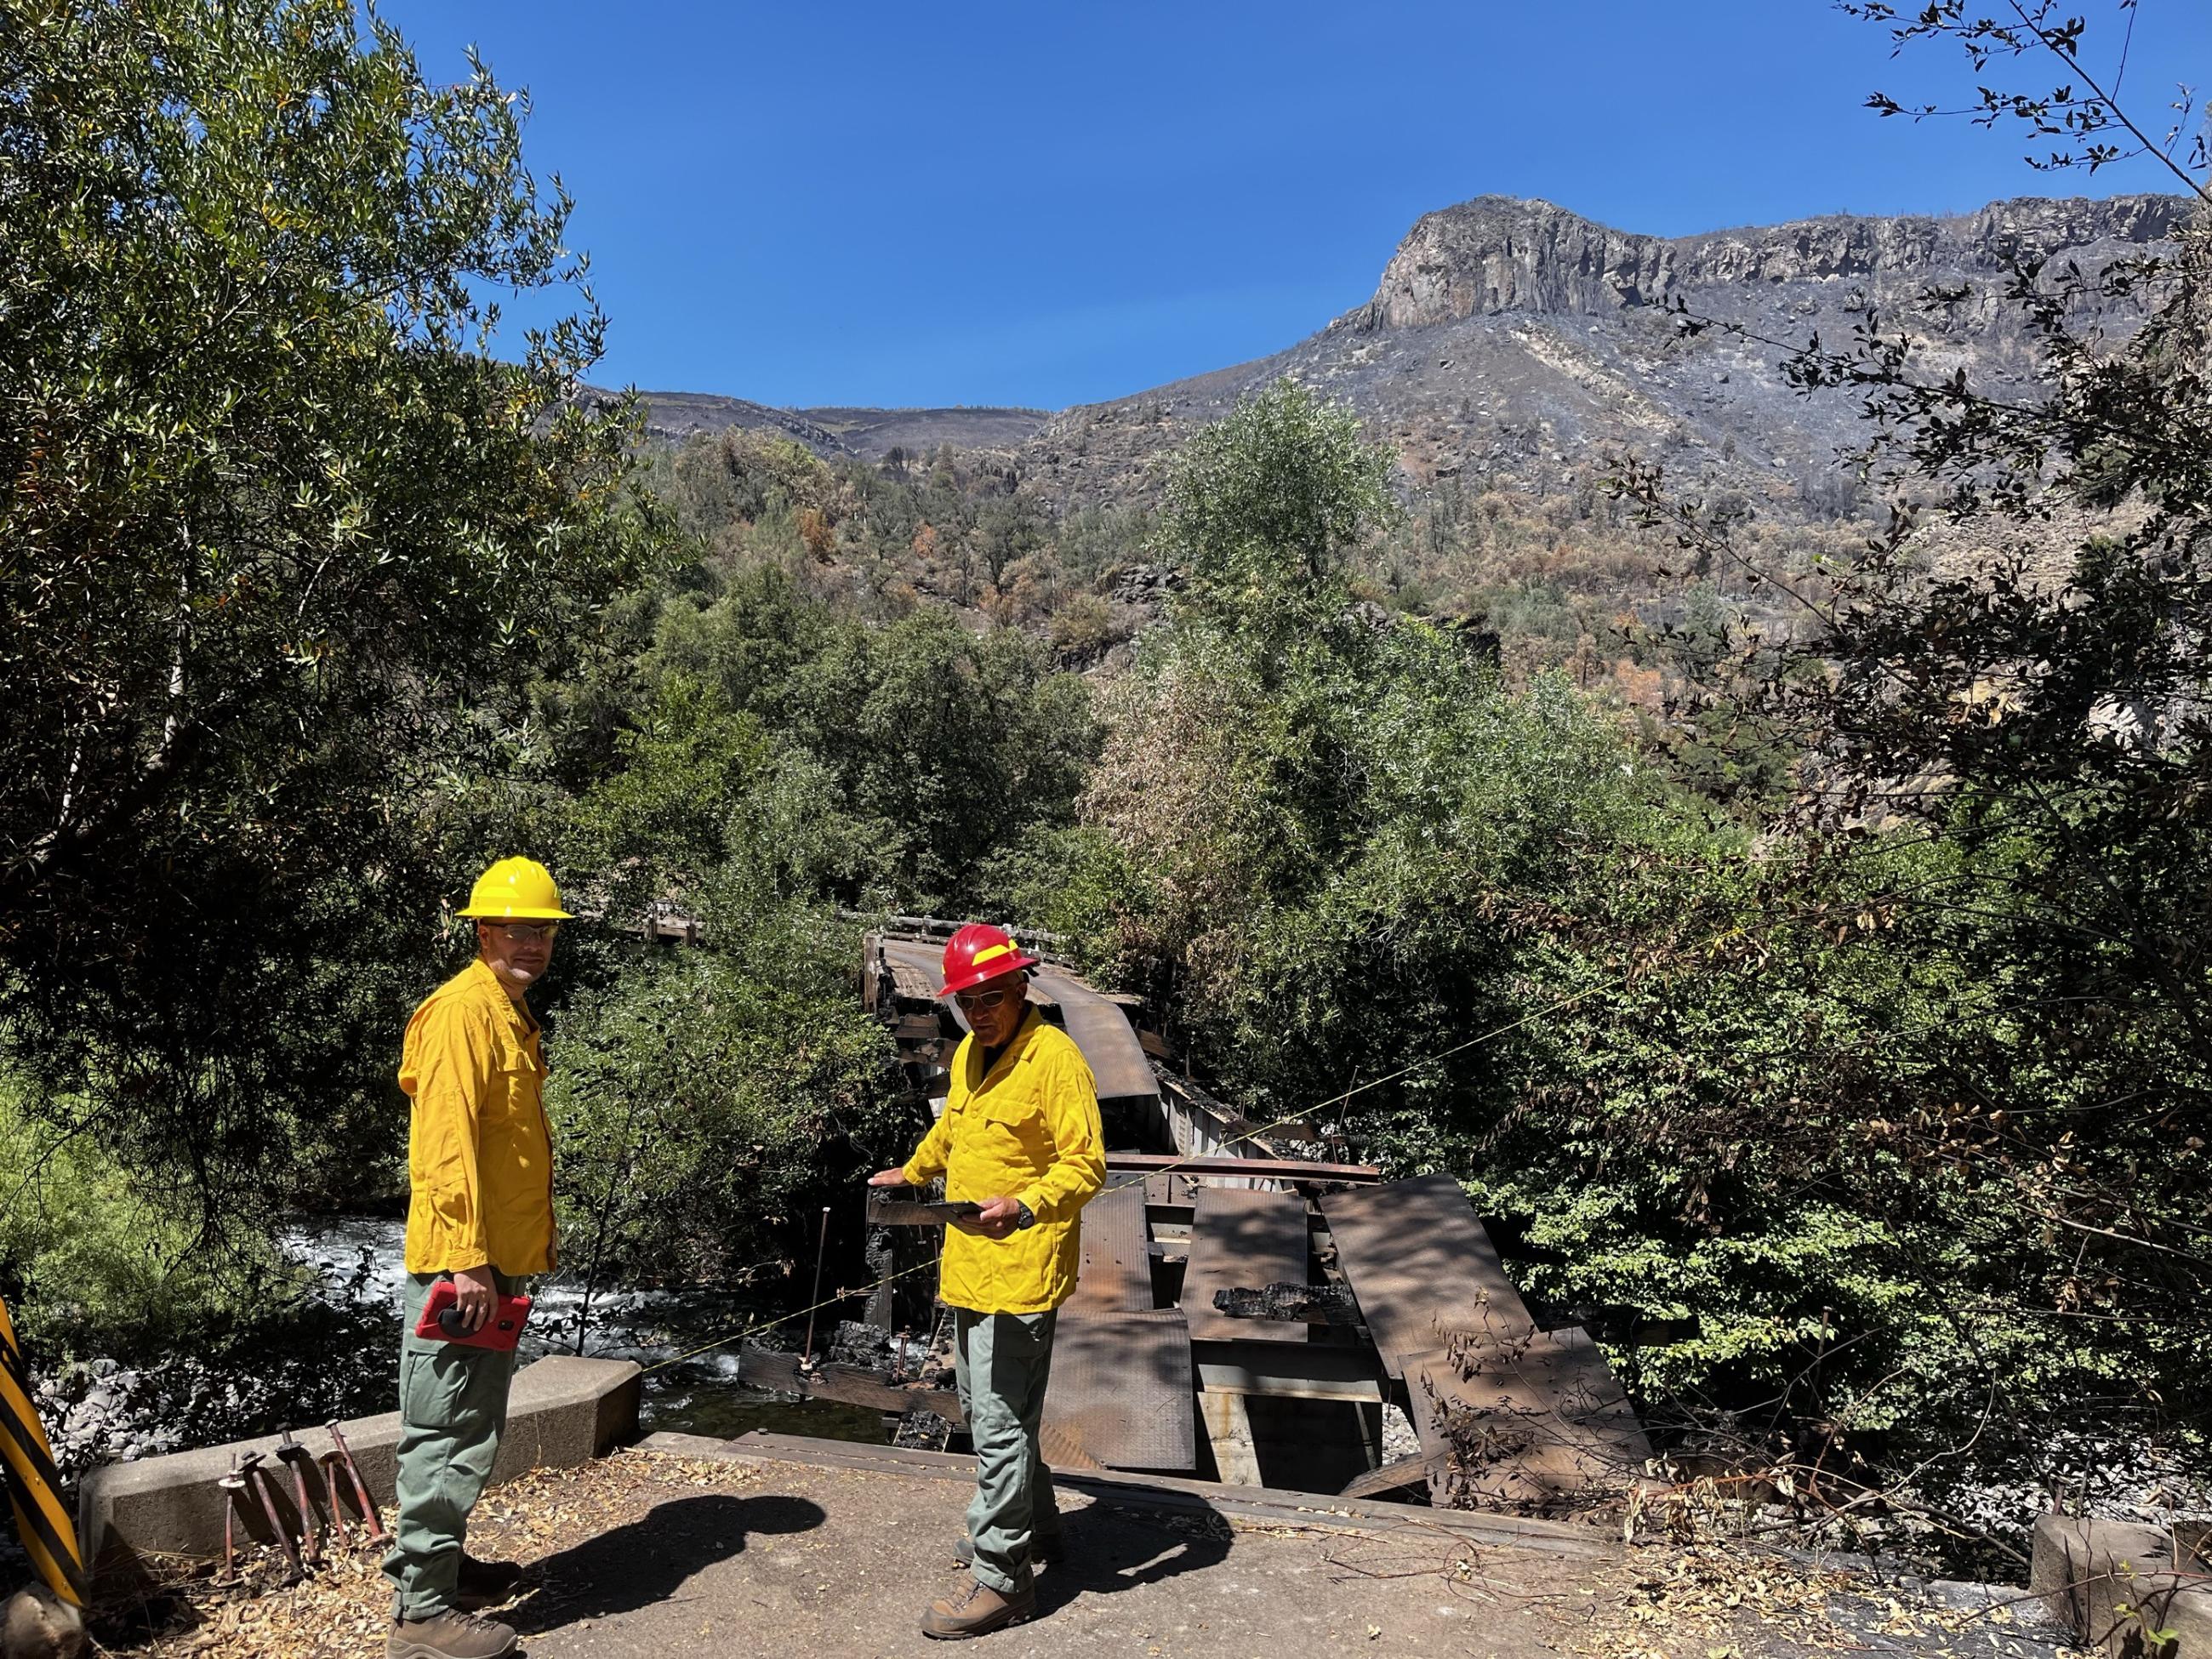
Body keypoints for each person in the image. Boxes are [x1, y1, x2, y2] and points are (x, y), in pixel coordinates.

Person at [870, 923, 1105, 1640]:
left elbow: (1087, 1162)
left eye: (993, 996)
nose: (981, 1011)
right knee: (989, 1413)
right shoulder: (974, 1049)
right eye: (968, 1000)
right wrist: (913, 1172)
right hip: (969, 1267)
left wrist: (1027, 1204)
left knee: (1000, 1426)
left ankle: (1003, 1579)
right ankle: (1037, 1527)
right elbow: (955, 1134)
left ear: (1022, 986)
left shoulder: (1054, 1059)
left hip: (1023, 1270)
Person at [384, 858, 567, 1659]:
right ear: (483, 930)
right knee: (445, 1429)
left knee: (470, 1423)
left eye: (543, 930)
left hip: (493, 1259)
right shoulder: (462, 1014)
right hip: (466, 1265)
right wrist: (465, 1260)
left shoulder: (506, 1013)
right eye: (516, 928)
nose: (532, 943)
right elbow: (445, 1146)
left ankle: (443, 1569)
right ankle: (421, 1616)